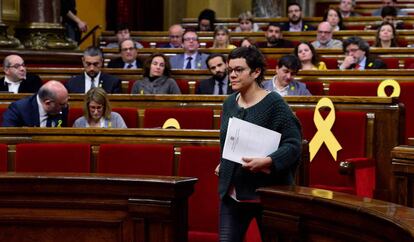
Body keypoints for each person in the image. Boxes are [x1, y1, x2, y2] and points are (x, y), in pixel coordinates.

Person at [217, 47, 302, 241]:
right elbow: (231, 141)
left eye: (239, 70)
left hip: (266, 194)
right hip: (233, 193)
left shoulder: (274, 103)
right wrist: (225, 161)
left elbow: (294, 145)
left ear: (256, 72)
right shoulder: (229, 103)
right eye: (230, 70)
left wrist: (269, 161)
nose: (233, 75)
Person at [2, 80, 69, 127]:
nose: (65, 106)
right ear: (47, 103)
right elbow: (8, 135)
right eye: (62, 104)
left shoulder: (63, 108)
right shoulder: (18, 109)